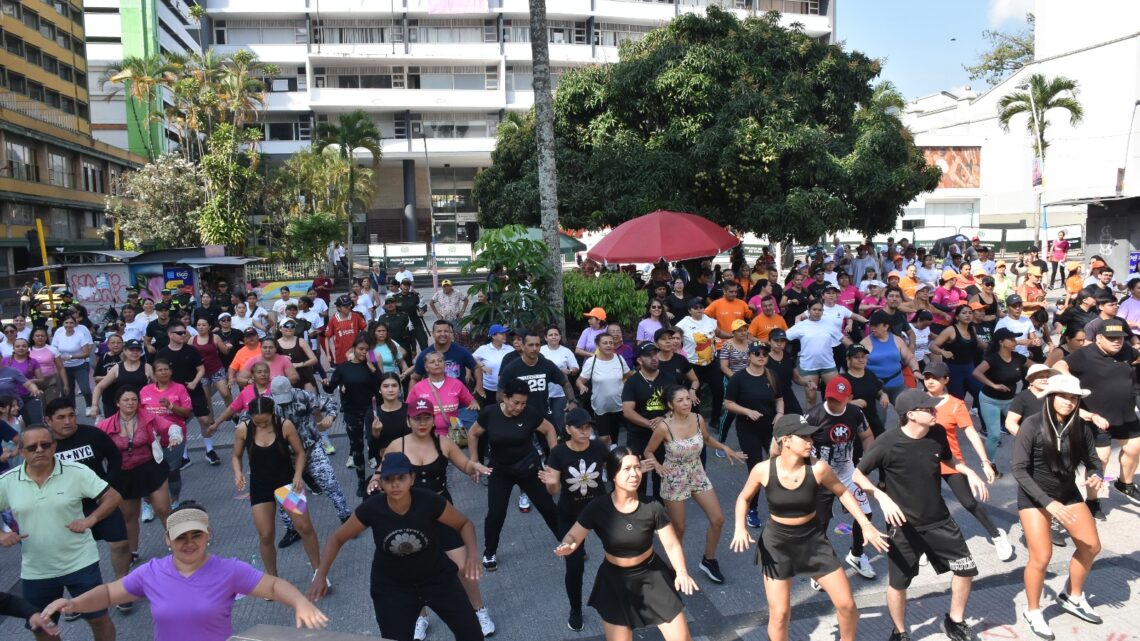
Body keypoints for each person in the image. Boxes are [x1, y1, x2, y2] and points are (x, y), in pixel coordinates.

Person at [41, 501, 327, 640]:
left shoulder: (229, 571)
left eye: (196, 535)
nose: (189, 543)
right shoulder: (150, 573)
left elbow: (274, 586)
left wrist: (300, 602)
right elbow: (107, 593)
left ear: (208, 535)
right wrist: (74, 603)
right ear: (167, 539)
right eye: (180, 537)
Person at [730, 414, 887, 641]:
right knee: (780, 614)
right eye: (803, 437)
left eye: (811, 436)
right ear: (785, 441)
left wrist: (865, 524)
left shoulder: (819, 469)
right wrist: (739, 527)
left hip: (812, 541)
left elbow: (842, 491)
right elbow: (744, 498)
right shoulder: (763, 470)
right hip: (777, 544)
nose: (810, 441)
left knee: (846, 604)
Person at [852, 389, 987, 641]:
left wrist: (968, 471)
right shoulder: (887, 442)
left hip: (939, 520)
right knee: (899, 584)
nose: (936, 411)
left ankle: (955, 621)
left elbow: (950, 459)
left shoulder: (936, 433)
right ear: (911, 415)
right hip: (903, 526)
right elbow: (858, 476)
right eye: (929, 409)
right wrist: (882, 497)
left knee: (966, 569)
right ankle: (900, 632)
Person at [309, 452, 483, 641]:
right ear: (381, 483)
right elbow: (337, 538)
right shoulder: (372, 508)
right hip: (393, 588)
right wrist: (321, 574)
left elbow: (464, 524)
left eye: (401, 478)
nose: (395, 484)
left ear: (412, 478)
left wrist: (472, 555)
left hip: (437, 578)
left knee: (471, 634)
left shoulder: (429, 501)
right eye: (389, 479)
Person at [378, 399, 495, 639]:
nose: (423, 423)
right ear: (408, 420)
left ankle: (478, 610)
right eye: (417, 418)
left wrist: (475, 467)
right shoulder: (396, 446)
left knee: (463, 568)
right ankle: (420, 618)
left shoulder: (443, 442)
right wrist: (374, 480)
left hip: (442, 513)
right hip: (408, 517)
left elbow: (464, 465)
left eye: (427, 418)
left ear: (433, 419)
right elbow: (382, 473)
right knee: (413, 570)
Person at [555, 446, 698, 641]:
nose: (635, 474)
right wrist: (569, 544)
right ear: (613, 475)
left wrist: (681, 572)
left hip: (652, 576)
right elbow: (573, 535)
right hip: (615, 581)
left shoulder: (652, 506)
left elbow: (672, 545)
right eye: (627, 469)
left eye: (637, 468)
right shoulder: (598, 507)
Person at [0, 424, 122, 641]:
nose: (39, 450)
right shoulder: (7, 482)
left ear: (54, 446)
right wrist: (1, 535)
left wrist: (90, 519)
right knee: (43, 627)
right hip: (36, 570)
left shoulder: (77, 472)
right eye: (32, 447)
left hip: (80, 562)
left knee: (98, 619)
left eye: (45, 445)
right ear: (21, 451)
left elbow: (112, 497)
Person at [1011, 374, 1105, 639]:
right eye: (1064, 396)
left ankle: (1073, 596)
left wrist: (1095, 473)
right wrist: (1047, 503)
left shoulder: (1080, 428)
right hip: (1034, 497)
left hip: (1067, 494)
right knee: (1041, 556)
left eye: (1073, 398)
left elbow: (1093, 460)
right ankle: (1033, 611)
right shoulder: (1031, 425)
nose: (1068, 402)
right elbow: (1018, 469)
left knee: (1091, 546)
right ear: (1051, 397)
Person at [645, 385, 743, 584]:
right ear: (670, 405)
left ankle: (709, 560)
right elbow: (648, 451)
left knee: (718, 519)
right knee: (679, 528)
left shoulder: (698, 419)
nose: (686, 403)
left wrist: (725, 448)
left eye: (687, 399)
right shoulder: (664, 426)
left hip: (697, 472)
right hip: (674, 477)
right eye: (680, 400)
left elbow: (706, 439)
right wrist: (656, 465)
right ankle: (676, 568)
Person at [467, 378, 560, 571]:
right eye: (515, 402)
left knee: (548, 507)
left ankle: (568, 542)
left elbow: (549, 429)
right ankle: (489, 552)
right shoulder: (490, 413)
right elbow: (473, 433)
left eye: (523, 403)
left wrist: (554, 460)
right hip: (500, 471)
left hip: (528, 468)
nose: (519, 407)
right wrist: (474, 460)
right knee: (496, 513)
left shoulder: (530, 413)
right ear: (504, 397)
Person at [923, 362, 1013, 560]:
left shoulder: (956, 404)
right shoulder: (918, 401)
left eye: (935, 377)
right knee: (928, 506)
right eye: (927, 376)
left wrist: (985, 462)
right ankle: (929, 547)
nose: (929, 381)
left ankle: (998, 536)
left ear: (946, 380)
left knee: (969, 503)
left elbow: (971, 433)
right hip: (923, 463)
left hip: (951, 462)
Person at [1053, 319, 1140, 517]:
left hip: (1125, 413)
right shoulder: (1085, 354)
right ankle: (1092, 501)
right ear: (1099, 338)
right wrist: (1070, 379)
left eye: (1120, 337)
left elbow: (1137, 357)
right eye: (1111, 338)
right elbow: (1059, 364)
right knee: (1100, 460)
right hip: (1097, 417)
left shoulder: (1126, 350)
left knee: (1134, 448)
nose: (1117, 342)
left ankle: (1124, 483)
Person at [232, 397, 322, 581]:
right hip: (260, 486)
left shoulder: (284, 425)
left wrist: (297, 475)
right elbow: (236, 456)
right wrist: (238, 473)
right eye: (257, 421)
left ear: (272, 414)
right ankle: (272, 579)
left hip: (286, 483)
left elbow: (300, 453)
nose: (261, 424)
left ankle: (319, 572)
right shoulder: (243, 429)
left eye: (265, 420)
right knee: (266, 535)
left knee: (304, 527)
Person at [539, 407, 610, 631]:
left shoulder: (598, 446)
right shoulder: (559, 453)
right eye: (579, 427)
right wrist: (550, 482)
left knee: (619, 551)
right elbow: (553, 491)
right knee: (575, 565)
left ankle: (623, 597)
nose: (584, 431)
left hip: (598, 510)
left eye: (588, 427)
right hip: (570, 515)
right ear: (568, 429)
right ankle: (576, 609)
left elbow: (614, 471)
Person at [803, 377, 879, 584]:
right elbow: (799, 444)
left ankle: (856, 555)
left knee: (866, 514)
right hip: (821, 477)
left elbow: (867, 436)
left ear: (850, 398)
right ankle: (819, 565)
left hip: (847, 473)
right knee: (821, 522)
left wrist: (864, 465)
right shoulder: (812, 416)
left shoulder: (856, 413)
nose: (834, 403)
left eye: (839, 399)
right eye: (830, 398)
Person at [97, 386, 181, 562]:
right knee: (129, 515)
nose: (130, 403)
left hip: (150, 468)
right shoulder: (105, 425)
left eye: (134, 400)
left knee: (163, 509)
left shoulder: (147, 418)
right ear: (117, 403)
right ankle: (132, 552)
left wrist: (174, 435)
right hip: (123, 474)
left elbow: (170, 426)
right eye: (126, 400)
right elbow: (94, 445)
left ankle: (177, 545)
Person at [267, 376, 349, 550]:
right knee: (284, 493)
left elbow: (331, 403)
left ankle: (346, 517)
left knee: (330, 483)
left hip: (310, 448)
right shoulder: (266, 403)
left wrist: (330, 417)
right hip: (284, 455)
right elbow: (248, 419)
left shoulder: (304, 396)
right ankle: (292, 528)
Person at [723, 342, 784, 528]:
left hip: (771, 429)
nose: (761, 356)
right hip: (748, 430)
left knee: (779, 467)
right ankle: (752, 508)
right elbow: (728, 403)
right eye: (756, 353)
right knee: (756, 469)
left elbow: (779, 398)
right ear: (749, 356)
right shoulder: (739, 378)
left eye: (764, 353)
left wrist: (780, 414)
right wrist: (747, 411)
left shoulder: (772, 375)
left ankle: (781, 507)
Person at [324, 338, 380, 496]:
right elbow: (330, 389)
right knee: (357, 447)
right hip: (351, 411)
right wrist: (325, 383)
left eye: (367, 350)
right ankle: (361, 481)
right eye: (361, 349)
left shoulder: (372, 366)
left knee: (374, 444)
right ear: (354, 349)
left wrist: (371, 365)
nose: (364, 352)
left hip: (370, 410)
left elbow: (381, 384)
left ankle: (377, 478)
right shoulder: (343, 368)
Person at [973, 327, 1029, 468]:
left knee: (1021, 431)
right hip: (990, 401)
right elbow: (977, 372)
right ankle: (989, 465)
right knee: (994, 435)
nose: (1015, 341)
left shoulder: (1017, 357)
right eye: (1011, 339)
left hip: (1010, 401)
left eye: (1015, 338)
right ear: (1001, 342)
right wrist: (994, 385)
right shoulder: (992, 359)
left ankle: (1025, 461)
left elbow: (1037, 368)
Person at [622, 342, 671, 499]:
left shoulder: (668, 378)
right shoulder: (632, 382)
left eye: (655, 354)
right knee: (638, 473)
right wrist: (650, 424)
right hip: (638, 435)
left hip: (663, 435)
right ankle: (639, 506)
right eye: (648, 355)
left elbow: (677, 405)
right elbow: (628, 411)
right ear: (639, 360)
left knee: (662, 472)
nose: (653, 358)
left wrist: (663, 418)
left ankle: (660, 507)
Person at [787, 302, 847, 407]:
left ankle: (832, 419)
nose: (817, 312)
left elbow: (843, 338)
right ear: (808, 310)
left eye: (820, 310)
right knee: (811, 397)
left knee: (836, 394)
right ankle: (810, 421)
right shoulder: (801, 326)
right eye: (814, 309)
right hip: (809, 366)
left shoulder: (829, 324)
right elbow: (784, 337)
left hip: (828, 365)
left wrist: (857, 349)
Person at [675, 297, 722, 427]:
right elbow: (674, 336)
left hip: (711, 362)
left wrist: (733, 335)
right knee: (695, 393)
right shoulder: (683, 323)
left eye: (701, 307)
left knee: (718, 390)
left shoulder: (710, 321)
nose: (699, 310)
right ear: (690, 310)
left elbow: (719, 333)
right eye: (695, 308)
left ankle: (715, 420)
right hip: (692, 363)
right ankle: (694, 421)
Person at [578, 331, 631, 446]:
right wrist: (582, 386)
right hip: (600, 406)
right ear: (598, 346)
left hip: (619, 405)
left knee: (616, 437)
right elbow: (580, 380)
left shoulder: (619, 358)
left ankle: (616, 457)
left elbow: (629, 376)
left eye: (611, 343)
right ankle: (603, 458)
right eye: (605, 343)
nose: (608, 345)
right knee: (604, 438)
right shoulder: (592, 362)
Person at [51, 317, 94, 409]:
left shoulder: (80, 336)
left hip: (80, 366)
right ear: (63, 324)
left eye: (71, 323)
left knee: (85, 389)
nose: (69, 325)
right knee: (67, 391)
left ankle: (89, 405)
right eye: (66, 323)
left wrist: (72, 357)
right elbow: (53, 349)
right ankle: (72, 408)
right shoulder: (59, 335)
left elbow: (86, 353)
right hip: (64, 368)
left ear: (75, 324)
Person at [473, 324, 514, 404]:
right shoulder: (484, 349)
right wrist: (482, 366)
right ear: (493, 336)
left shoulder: (510, 349)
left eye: (505, 334)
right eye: (502, 334)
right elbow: (471, 358)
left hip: (506, 389)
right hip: (489, 389)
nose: (504, 336)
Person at [324, 295, 367, 367]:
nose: (348, 307)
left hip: (357, 354)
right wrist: (328, 355)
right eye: (345, 306)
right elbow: (327, 338)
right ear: (338, 308)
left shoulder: (356, 316)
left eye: (349, 304)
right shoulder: (333, 320)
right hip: (341, 355)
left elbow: (365, 330)